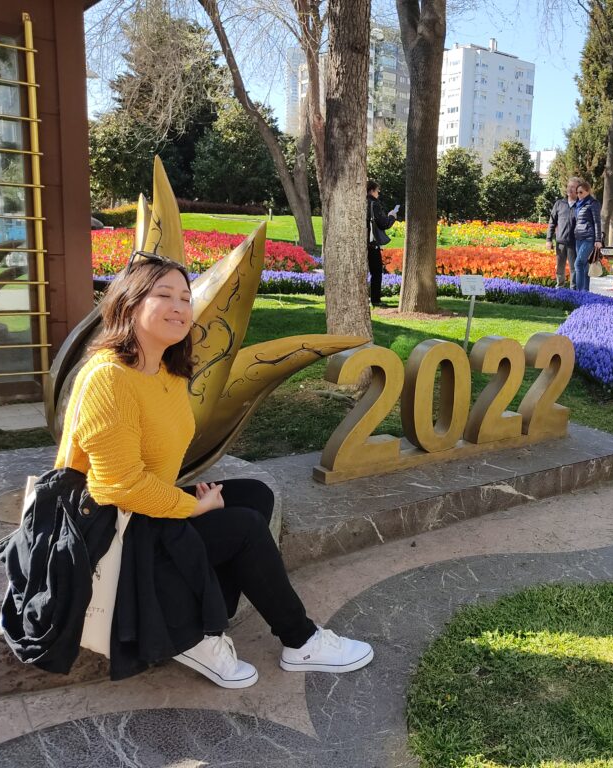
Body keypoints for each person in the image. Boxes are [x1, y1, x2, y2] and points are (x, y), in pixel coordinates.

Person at [56, 254, 374, 689]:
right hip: (107, 531)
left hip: (138, 513)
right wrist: (191, 505)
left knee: (254, 496)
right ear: (129, 305)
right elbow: (117, 485)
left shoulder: (166, 371)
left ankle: (200, 629)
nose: (179, 307)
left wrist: (191, 501)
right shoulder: (109, 378)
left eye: (185, 298)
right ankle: (300, 641)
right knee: (241, 526)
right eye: (163, 295)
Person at [367, 180, 397, 308]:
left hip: (361, 243)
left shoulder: (360, 202)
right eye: (377, 190)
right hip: (371, 244)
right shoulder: (374, 204)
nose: (378, 193)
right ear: (372, 190)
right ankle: (375, 300)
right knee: (376, 272)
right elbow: (383, 223)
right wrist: (392, 216)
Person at [546, 177, 580, 289]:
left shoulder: (581, 205)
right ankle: (559, 289)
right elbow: (552, 222)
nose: (569, 189)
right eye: (568, 186)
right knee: (560, 268)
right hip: (560, 242)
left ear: (578, 190)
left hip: (574, 243)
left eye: (573, 187)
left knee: (574, 269)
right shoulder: (559, 204)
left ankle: (573, 291)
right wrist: (549, 239)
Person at [572, 180, 602, 292]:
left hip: (589, 238)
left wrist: (598, 239)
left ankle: (579, 293)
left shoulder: (593, 203)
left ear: (587, 191)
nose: (578, 195)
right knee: (583, 265)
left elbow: (597, 222)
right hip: (579, 237)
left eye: (581, 192)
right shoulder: (578, 205)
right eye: (577, 192)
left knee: (578, 264)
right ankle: (585, 292)